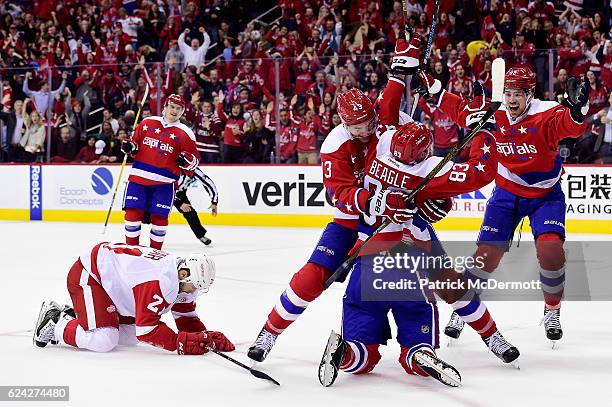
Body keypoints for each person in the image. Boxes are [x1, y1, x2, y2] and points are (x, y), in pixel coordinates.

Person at [247, 34, 423, 363]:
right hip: (351, 221)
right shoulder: (335, 145)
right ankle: (269, 332)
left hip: (392, 224)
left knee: (391, 283)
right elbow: (338, 194)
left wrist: (404, 64)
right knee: (313, 276)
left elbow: (392, 95)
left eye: (370, 122)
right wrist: (371, 204)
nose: (368, 130)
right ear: (344, 124)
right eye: (358, 127)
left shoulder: (381, 122)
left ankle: (401, 341)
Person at [419, 66, 590, 343]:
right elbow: (462, 111)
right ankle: (465, 306)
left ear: (530, 94)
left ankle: (552, 310)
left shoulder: (546, 112)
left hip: (545, 195)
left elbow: (568, 125)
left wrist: (577, 112)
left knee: (550, 250)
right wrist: (437, 91)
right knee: (486, 255)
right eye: (508, 93)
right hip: (507, 193)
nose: (511, 100)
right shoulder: (493, 111)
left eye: (518, 94)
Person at [33, 242, 234, 355]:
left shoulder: (181, 275)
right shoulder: (160, 281)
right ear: (183, 274)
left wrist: (205, 336)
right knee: (105, 340)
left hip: (113, 288)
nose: (192, 292)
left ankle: (80, 317)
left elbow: (185, 315)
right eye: (194, 286)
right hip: (90, 276)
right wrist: (179, 342)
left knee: (129, 338)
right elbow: (147, 330)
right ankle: (55, 323)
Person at [121, 94, 200, 250]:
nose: (175, 111)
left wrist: (187, 161)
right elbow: (134, 146)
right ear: (164, 107)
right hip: (138, 178)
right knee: (132, 214)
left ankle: (155, 254)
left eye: (179, 108)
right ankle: (131, 251)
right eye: (172, 107)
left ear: (183, 112)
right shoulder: (147, 123)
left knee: (160, 217)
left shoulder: (185, 133)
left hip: (165, 182)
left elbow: (194, 162)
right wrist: (128, 147)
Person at [174, 168, 219, 246]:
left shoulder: (194, 170)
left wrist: (214, 202)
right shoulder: (171, 169)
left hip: (180, 192)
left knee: (190, 213)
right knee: (149, 215)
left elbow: (208, 184)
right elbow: (163, 187)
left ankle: (200, 235)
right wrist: (179, 203)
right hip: (163, 190)